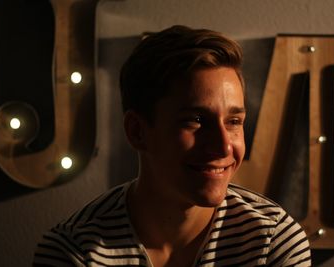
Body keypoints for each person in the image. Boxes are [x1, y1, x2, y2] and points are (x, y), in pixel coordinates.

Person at [34, 25, 311, 266]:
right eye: (196, 120)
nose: (224, 147)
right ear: (137, 131)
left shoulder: (273, 240)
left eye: (234, 121)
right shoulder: (74, 251)